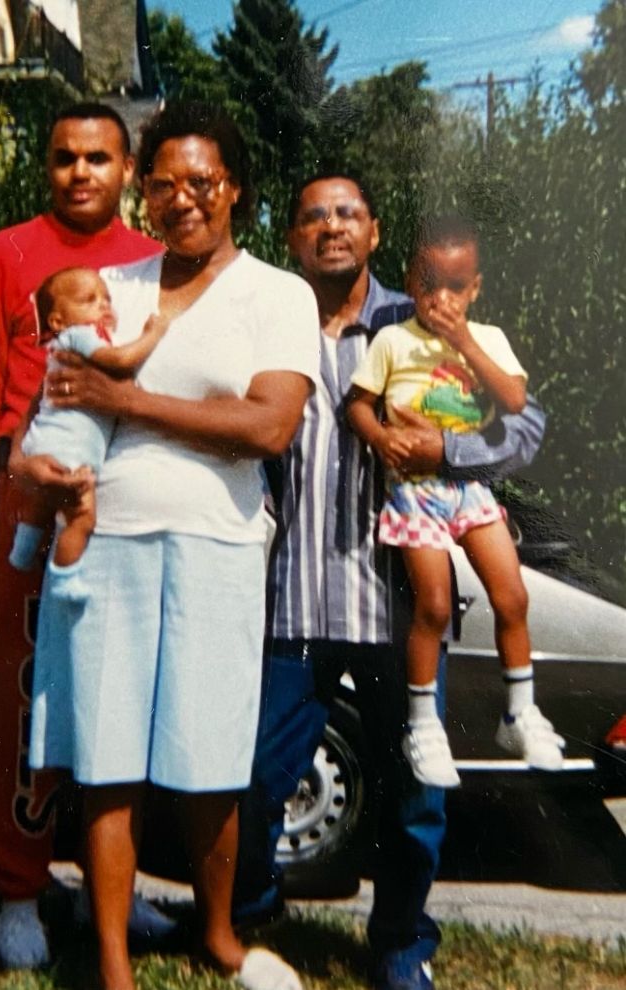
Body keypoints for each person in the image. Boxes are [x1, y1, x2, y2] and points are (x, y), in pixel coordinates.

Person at [20, 101, 318, 990]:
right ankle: (112, 956)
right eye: (162, 184)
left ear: (236, 189)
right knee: (108, 756)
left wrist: (129, 403)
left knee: (211, 752)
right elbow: (58, 396)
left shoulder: (278, 294)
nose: (181, 198)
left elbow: (267, 426)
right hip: (106, 538)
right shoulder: (117, 286)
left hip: (219, 541)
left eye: (201, 181)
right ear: (141, 193)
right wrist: (47, 462)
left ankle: (218, 934)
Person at [233, 175, 546, 990]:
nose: (331, 227)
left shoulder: (426, 318)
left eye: (348, 214)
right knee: (257, 777)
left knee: (414, 795)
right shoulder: (269, 325)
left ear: (374, 233)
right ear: (292, 238)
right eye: (313, 216)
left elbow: (527, 425)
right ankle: (253, 909)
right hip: (295, 598)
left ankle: (401, 943)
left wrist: (450, 452)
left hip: (402, 609)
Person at [0, 102, 163, 969]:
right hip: (37, 498)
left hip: (132, 497)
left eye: (99, 158)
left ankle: (110, 888)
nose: (81, 173)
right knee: (28, 694)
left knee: (121, 694)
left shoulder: (153, 259)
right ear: (47, 165)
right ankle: (19, 889)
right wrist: (8, 480)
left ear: (127, 169)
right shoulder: (1, 255)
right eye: (65, 158)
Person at [346, 214, 564, 788]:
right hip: (415, 492)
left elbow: (514, 401)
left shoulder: (487, 339)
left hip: (469, 488)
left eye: (455, 286)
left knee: (512, 595)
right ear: (410, 280)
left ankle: (519, 713)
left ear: (475, 289)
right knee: (435, 607)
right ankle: (423, 724)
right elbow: (358, 404)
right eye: (428, 283)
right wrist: (381, 438)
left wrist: (464, 341)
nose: (440, 298)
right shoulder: (393, 340)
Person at [9, 266, 169, 581]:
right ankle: (66, 579)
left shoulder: (71, 341)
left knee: (43, 503)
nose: (103, 305)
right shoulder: (82, 336)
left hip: (49, 439)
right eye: (90, 300)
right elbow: (121, 360)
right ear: (57, 321)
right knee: (82, 518)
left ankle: (22, 553)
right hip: (71, 449)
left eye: (107, 299)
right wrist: (153, 334)